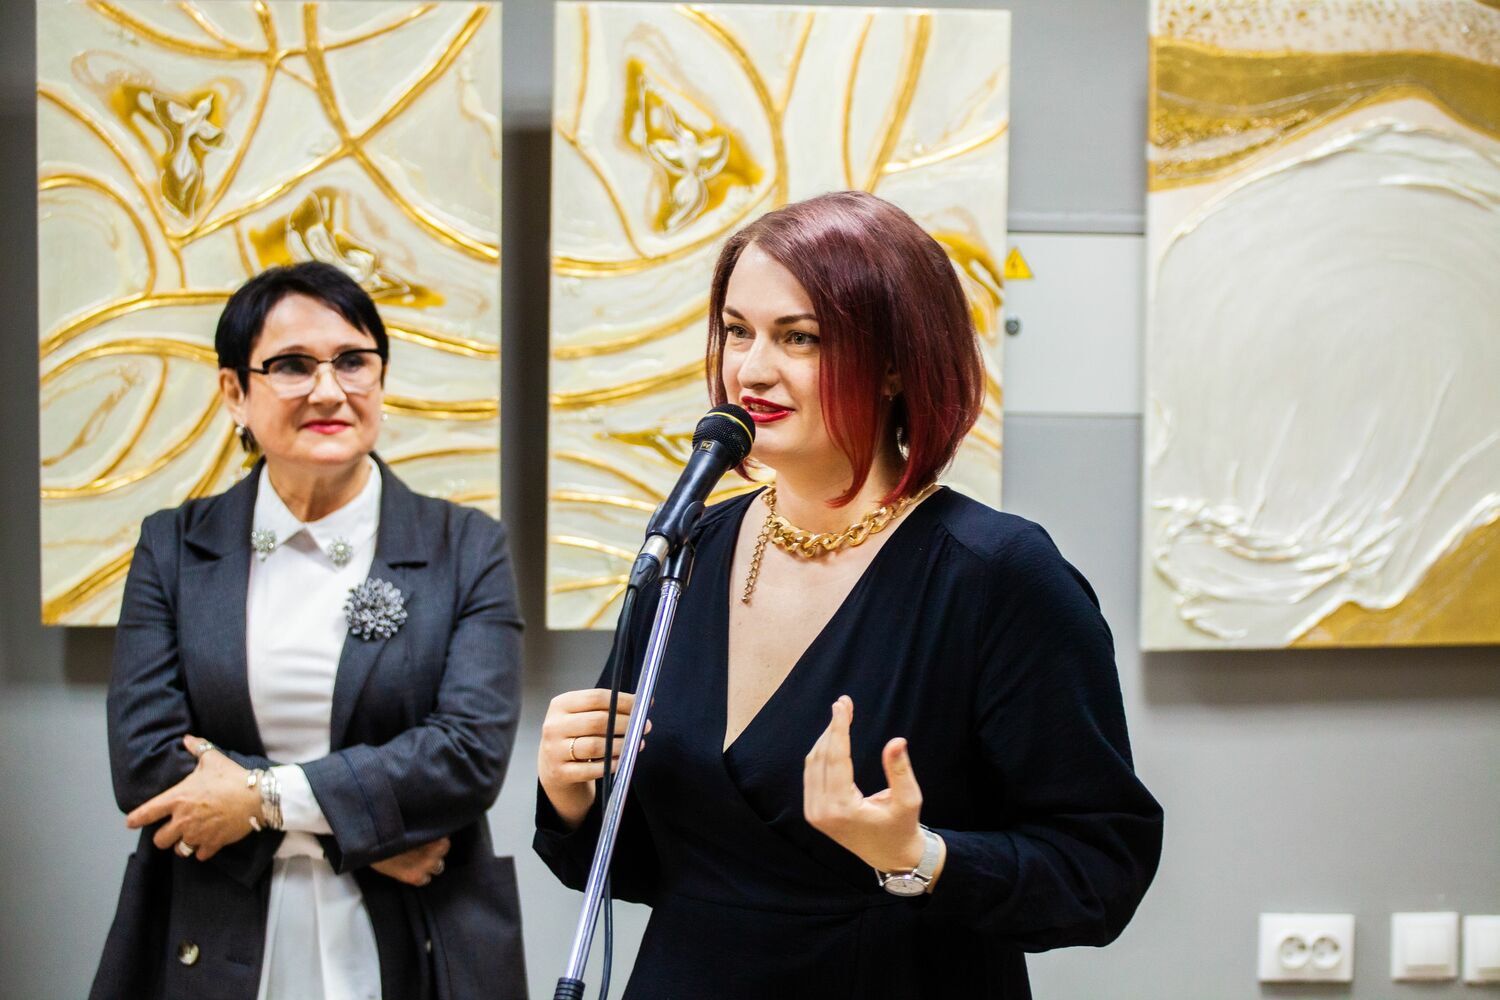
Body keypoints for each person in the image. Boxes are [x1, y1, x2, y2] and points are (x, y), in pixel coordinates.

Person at [535, 192, 1163, 997]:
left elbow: (1100, 872)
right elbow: (648, 868)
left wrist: (918, 858)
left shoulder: (996, 574)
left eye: (799, 337)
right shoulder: (688, 547)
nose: (751, 369)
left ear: (897, 362)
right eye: (737, 331)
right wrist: (570, 794)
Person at [93, 261, 526, 1000]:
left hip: (411, 930)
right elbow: (145, 762)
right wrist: (359, 836)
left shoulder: (466, 547)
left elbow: (467, 757)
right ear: (235, 391)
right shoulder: (174, 546)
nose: (329, 390)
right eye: (293, 366)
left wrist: (259, 800)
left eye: (353, 361)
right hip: (215, 923)